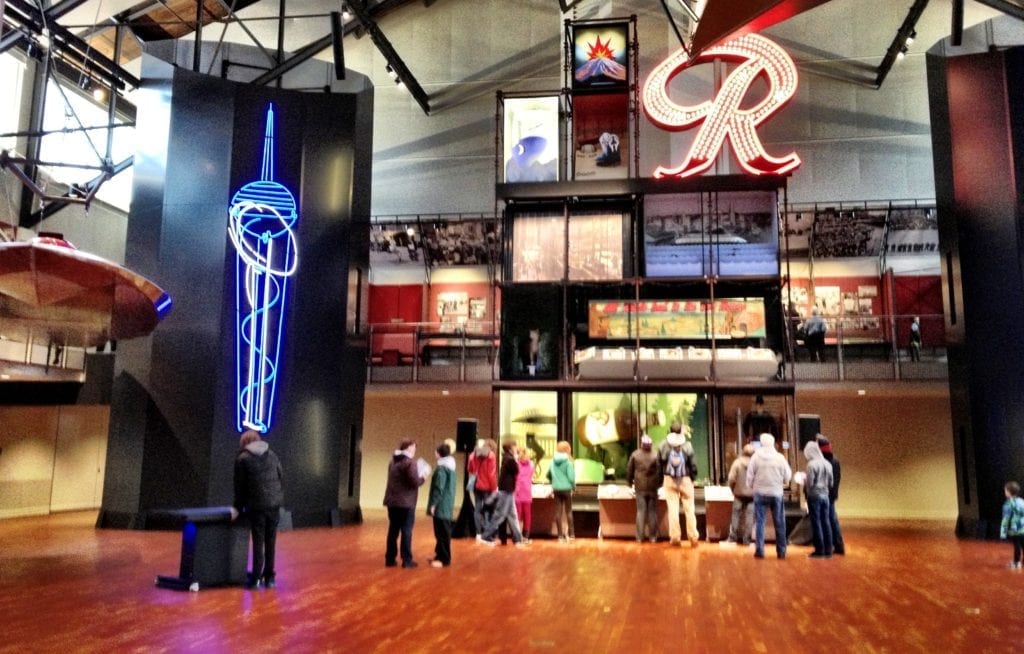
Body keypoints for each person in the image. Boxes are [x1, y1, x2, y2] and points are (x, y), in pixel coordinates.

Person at [232, 429, 284, 589]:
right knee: (271, 541)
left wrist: (237, 509)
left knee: (258, 541)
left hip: (257, 506)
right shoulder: (273, 455)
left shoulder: (242, 459)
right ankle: (270, 578)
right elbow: (281, 476)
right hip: (274, 504)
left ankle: (255, 578)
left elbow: (239, 488)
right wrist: (277, 496)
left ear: (244, 443)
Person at [383, 439, 429, 568]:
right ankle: (407, 560)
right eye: (414, 447)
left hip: (392, 502)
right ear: (408, 448)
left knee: (393, 530)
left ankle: (390, 559)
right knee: (406, 530)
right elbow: (415, 482)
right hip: (406, 503)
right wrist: (424, 476)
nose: (414, 450)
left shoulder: (393, 461)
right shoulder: (410, 463)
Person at [746, 433, 793, 559]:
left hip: (760, 493)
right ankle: (781, 551)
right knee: (779, 523)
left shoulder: (756, 457)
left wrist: (751, 486)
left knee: (760, 522)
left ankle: (760, 550)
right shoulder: (780, 458)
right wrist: (781, 482)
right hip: (776, 493)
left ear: (761, 443)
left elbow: (750, 475)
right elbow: (788, 475)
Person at [478, 439, 527, 546]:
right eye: (514, 446)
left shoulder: (505, 458)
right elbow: (516, 470)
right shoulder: (509, 459)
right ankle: (485, 536)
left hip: (507, 490)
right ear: (510, 448)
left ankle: (518, 539)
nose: (516, 448)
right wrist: (515, 458)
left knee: (512, 516)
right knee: (499, 515)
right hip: (506, 490)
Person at [659, 422, 700, 547]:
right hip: (685, 479)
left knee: (673, 510)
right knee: (690, 509)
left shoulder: (663, 445)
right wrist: (692, 477)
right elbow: (693, 464)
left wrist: (663, 477)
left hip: (669, 480)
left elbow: (658, 463)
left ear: (669, 430)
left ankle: (675, 538)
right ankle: (693, 537)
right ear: (680, 430)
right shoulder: (687, 445)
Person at [626, 433, 661, 543]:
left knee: (641, 511)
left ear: (641, 444)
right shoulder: (656, 455)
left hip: (640, 487)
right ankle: (653, 537)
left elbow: (629, 470)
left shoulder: (635, 454)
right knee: (652, 512)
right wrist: (660, 484)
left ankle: (639, 537)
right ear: (651, 444)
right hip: (653, 487)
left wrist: (629, 483)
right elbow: (660, 472)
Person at [802, 439, 834, 558]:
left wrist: (804, 482)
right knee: (826, 522)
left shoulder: (811, 464)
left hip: (814, 495)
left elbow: (810, 483)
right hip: (825, 495)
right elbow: (831, 483)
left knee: (816, 523)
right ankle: (829, 550)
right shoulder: (827, 464)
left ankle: (819, 550)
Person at [427, 442, 456, 568]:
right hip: (447, 504)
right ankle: (439, 555)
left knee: (442, 533)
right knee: (442, 532)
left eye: (436, 451)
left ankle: (444, 559)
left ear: (439, 453)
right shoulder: (450, 467)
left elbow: (439, 488)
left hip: (441, 506)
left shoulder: (442, 469)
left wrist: (433, 504)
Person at [817, 435, 846, 555]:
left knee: (830, 520)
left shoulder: (828, 462)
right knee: (830, 519)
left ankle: (837, 545)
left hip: (827, 495)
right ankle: (836, 545)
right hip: (829, 495)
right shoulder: (833, 460)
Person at [467, 438, 498, 535]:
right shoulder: (491, 456)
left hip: (476, 485)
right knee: (488, 508)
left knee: (477, 508)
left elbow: (470, 469)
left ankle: (478, 532)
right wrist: (494, 488)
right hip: (487, 486)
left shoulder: (472, 455)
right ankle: (488, 531)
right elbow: (491, 474)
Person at [726, 444, 756, 545]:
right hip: (752, 495)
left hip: (738, 494)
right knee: (750, 517)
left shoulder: (737, 463)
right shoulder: (755, 464)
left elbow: (731, 478)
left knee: (735, 516)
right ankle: (747, 539)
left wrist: (732, 489)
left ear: (743, 451)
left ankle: (733, 537)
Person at [547, 440, 576, 542]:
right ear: (567, 450)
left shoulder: (552, 462)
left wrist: (553, 481)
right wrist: (573, 487)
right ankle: (571, 535)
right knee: (568, 511)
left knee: (558, 512)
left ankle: (560, 536)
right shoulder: (568, 462)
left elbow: (548, 475)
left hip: (556, 489)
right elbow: (571, 478)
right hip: (567, 489)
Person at [1000, 481, 1024, 569]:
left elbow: (1005, 519)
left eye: (1005, 490)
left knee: (1017, 545)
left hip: (1015, 530)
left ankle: (1016, 563)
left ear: (1009, 492)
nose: (1005, 492)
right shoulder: (1021, 501)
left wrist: (1003, 533)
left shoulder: (1008, 503)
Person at [515, 447, 535, 543]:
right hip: (527, 492)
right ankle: (526, 537)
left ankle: (518, 536)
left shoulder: (516, 464)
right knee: (527, 515)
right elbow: (531, 476)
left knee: (518, 515)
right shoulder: (531, 464)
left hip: (518, 492)